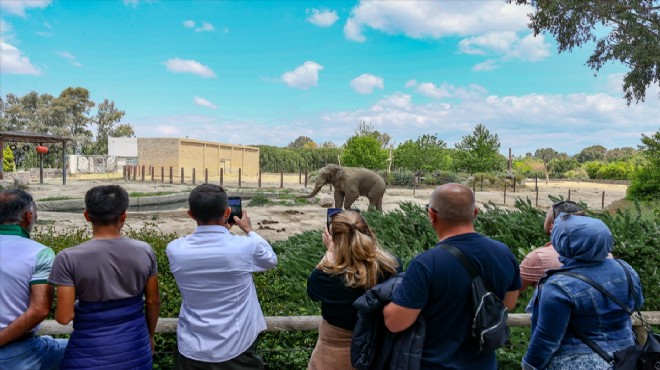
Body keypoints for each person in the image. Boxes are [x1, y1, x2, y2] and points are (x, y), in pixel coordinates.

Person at [383, 183, 521, 369]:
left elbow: (396, 323)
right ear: (475, 213)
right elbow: (509, 303)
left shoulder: (426, 263)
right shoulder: (503, 252)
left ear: (431, 215)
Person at [166, 184, 278, 369]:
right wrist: (249, 230)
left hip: (191, 348)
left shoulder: (175, 249)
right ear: (227, 212)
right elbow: (270, 260)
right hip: (238, 347)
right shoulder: (244, 247)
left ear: (191, 214)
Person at [49, 185, 160, 369]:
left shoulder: (67, 258)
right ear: (123, 216)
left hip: (86, 354)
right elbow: (153, 301)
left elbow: (63, 316)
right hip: (135, 348)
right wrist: (150, 335)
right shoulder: (145, 251)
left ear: (86, 216)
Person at [522, 214, 643, 369]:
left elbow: (547, 338)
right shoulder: (625, 269)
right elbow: (636, 303)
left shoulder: (558, 285)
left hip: (575, 361)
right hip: (626, 358)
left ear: (563, 243)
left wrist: (529, 364)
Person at [306, 209, 400, 370]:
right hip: (377, 352)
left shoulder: (326, 277)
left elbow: (312, 289)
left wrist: (330, 252)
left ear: (333, 239)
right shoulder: (391, 266)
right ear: (368, 233)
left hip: (332, 356)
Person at [0, 189, 67, 369]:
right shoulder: (39, 253)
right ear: (29, 216)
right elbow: (39, 309)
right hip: (18, 352)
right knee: (80, 349)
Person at [520, 201, 584, 292]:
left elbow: (511, 292)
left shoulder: (539, 257)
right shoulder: (603, 253)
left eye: (546, 218)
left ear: (552, 227)